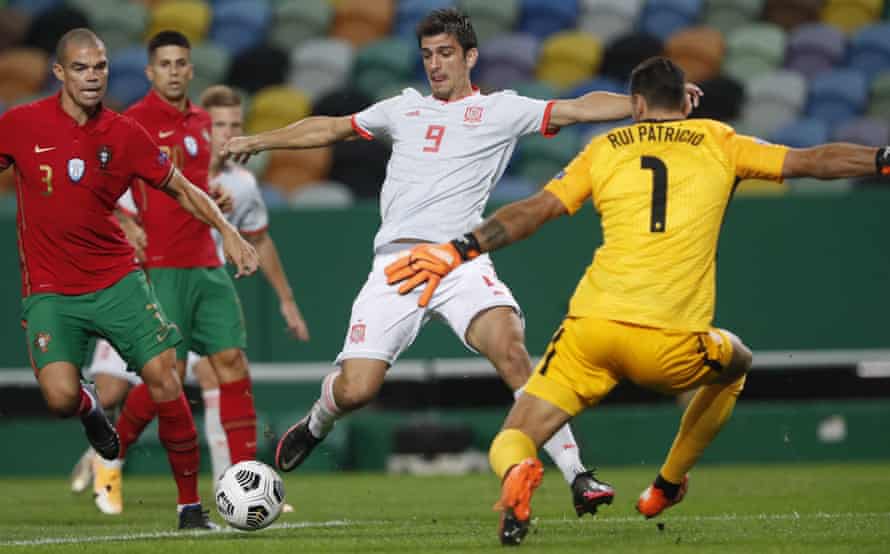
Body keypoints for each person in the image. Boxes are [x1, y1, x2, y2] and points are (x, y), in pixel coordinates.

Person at [384, 56, 890, 546]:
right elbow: (812, 161)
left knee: (513, 436)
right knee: (736, 363)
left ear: (637, 105)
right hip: (669, 341)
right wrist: (879, 159)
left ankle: (519, 470)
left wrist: (460, 248)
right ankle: (665, 486)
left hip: (591, 331)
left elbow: (534, 211)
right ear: (684, 102)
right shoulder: (719, 140)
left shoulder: (604, 147)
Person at [223, 9, 700, 515]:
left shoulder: (501, 110)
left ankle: (577, 475)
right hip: (395, 262)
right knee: (357, 389)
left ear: (470, 56)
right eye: (428, 54)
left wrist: (649, 104)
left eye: (446, 53)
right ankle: (319, 420)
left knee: (512, 352)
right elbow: (333, 127)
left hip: (459, 261)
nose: (435, 64)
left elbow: (578, 108)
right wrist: (259, 139)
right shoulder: (403, 108)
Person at [0, 28, 258, 529]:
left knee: (166, 376)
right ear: (59, 73)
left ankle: (189, 507)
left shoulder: (123, 133)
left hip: (117, 279)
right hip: (51, 288)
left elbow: (182, 187)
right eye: (80, 68)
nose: (92, 77)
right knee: (59, 398)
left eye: (99, 67)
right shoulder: (20, 124)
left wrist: (228, 231)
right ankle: (91, 407)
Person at [71, 85, 311, 498]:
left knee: (224, 367)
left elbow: (261, 239)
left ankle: (239, 483)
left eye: (235, 125)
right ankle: (110, 455)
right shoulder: (163, 165)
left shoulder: (243, 184)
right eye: (219, 124)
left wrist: (286, 299)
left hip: (207, 287)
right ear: (202, 126)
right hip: (153, 284)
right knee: (138, 385)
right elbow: (105, 197)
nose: (226, 133)